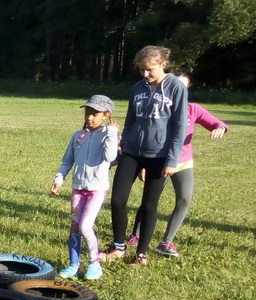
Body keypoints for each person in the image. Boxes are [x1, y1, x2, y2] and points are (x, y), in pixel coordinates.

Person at [101, 45, 189, 267]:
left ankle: (141, 253)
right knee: (117, 199)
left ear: (163, 64)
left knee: (149, 204)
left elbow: (179, 127)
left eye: (150, 69)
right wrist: (122, 147)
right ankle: (118, 246)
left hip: (159, 156)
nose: (145, 74)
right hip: (132, 152)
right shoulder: (137, 88)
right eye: (142, 70)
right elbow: (131, 120)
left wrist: (172, 160)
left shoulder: (176, 87)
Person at [126, 73, 228, 257]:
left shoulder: (192, 109)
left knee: (184, 199)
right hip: (160, 160)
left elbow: (215, 122)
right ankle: (136, 235)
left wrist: (220, 128)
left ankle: (166, 242)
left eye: (182, 86)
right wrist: (142, 164)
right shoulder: (156, 107)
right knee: (150, 200)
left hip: (183, 161)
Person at [50, 95, 120, 280]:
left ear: (106, 115)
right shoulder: (77, 136)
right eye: (87, 113)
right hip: (78, 189)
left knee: (85, 227)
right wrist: (59, 178)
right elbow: (67, 161)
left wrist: (112, 133)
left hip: (97, 190)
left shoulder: (109, 134)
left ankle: (94, 264)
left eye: (94, 114)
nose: (89, 117)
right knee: (75, 227)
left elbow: (110, 157)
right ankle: (73, 265)